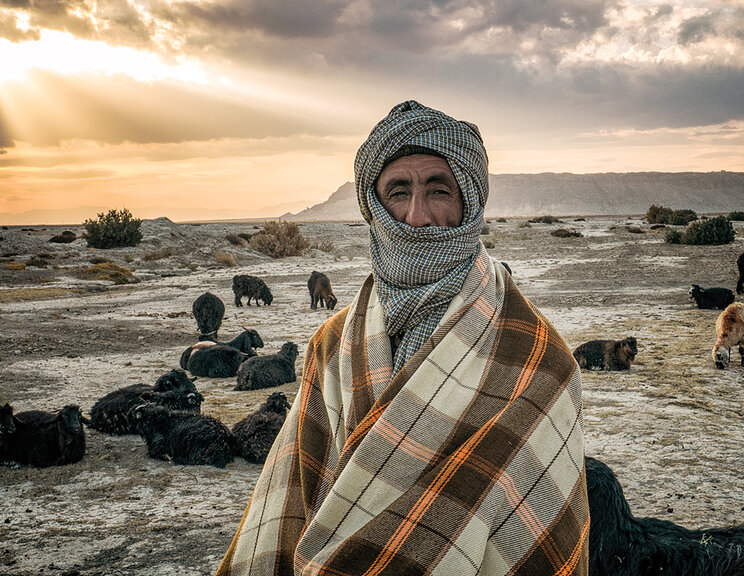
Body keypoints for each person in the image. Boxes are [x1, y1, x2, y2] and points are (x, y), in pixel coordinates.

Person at [216, 101, 589, 576]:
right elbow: (294, 495)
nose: (417, 216)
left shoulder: (540, 359)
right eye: (398, 192)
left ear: (469, 204)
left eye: (439, 190)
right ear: (374, 208)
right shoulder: (332, 344)